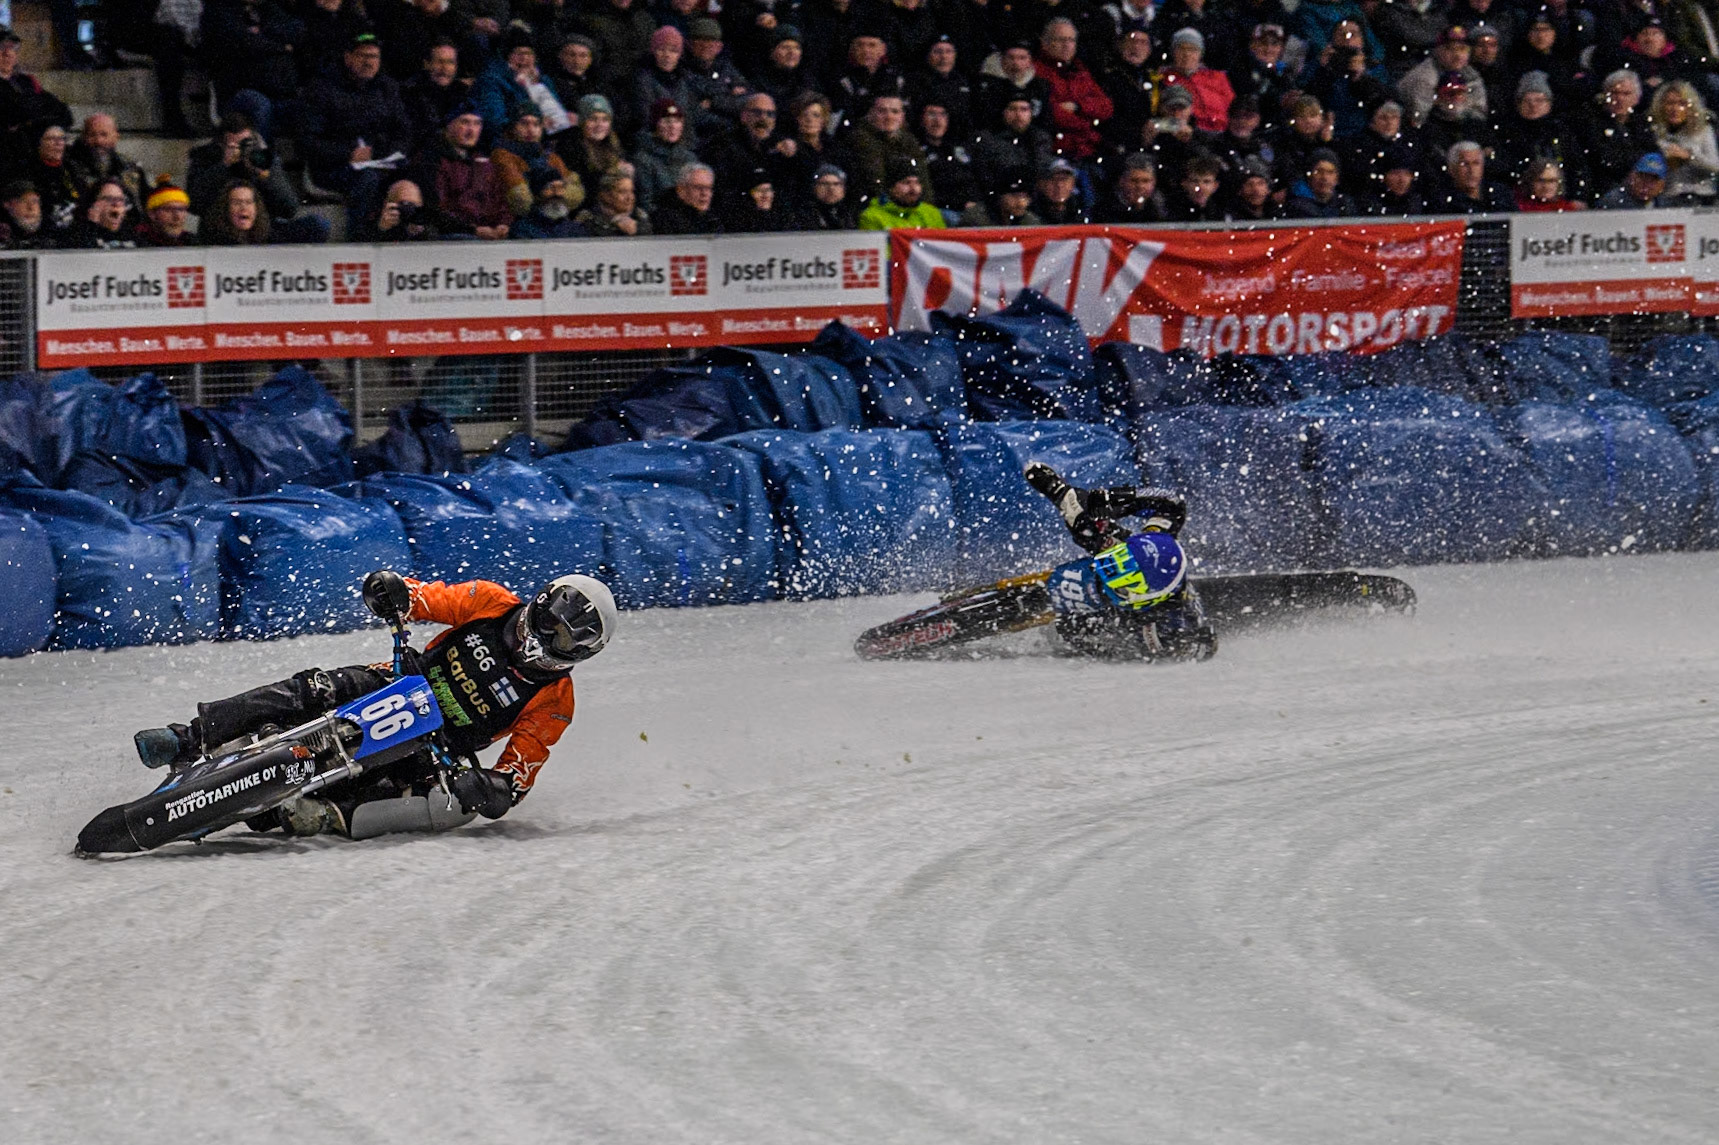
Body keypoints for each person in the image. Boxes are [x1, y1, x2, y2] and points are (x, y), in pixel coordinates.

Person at [131, 571, 617, 840]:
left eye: (559, 638)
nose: (542, 636)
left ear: (579, 653)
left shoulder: (556, 702)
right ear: (538, 603)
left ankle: (327, 816)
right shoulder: (491, 601)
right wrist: (394, 592)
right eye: (546, 621)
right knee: (315, 687)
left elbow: (519, 772)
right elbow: (428, 599)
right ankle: (190, 736)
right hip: (397, 681)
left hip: (435, 747)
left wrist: (491, 787)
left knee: (454, 808)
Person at [1024, 463, 1216, 661]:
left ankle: (1083, 612)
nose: (1108, 576)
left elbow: (1202, 649)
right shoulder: (1158, 535)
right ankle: (1061, 491)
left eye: (1120, 584)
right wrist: (1112, 499)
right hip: (1139, 587)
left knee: (1083, 629)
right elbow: (1171, 502)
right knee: (1084, 520)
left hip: (1126, 616)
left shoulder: (1173, 631)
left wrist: (1079, 633)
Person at [1648, 80, 1719, 204]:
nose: (1675, 109)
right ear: (1661, 106)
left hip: (1701, 196)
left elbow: (1715, 166)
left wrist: (1690, 157)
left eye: (1682, 103)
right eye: (1670, 103)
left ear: (1690, 107)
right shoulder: (1654, 133)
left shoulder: (1703, 131)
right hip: (1667, 196)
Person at [857, 155, 946, 229]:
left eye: (917, 182)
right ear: (891, 187)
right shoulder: (871, 217)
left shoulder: (932, 213)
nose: (913, 188)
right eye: (906, 182)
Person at [64, 178, 140, 249]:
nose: (116, 204)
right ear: (93, 203)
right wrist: (91, 225)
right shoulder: (77, 234)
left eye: (120, 199)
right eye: (109, 199)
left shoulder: (131, 233)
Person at [574, 168, 653, 235]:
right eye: (622, 192)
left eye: (631, 191)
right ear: (606, 196)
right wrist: (616, 226)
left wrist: (637, 230)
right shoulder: (587, 218)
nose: (629, 197)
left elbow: (649, 233)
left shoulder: (639, 215)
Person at [652, 161, 723, 233]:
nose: (704, 193)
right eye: (698, 187)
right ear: (681, 191)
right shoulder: (664, 221)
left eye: (708, 188)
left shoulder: (713, 220)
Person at [1596, 150, 1670, 207]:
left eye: (1653, 181)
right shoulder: (1613, 202)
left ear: (1662, 185)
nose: (1646, 185)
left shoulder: (1665, 205)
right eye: (1642, 178)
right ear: (1631, 177)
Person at [137, 178, 198, 246]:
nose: (177, 216)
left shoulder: (193, 242)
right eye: (169, 209)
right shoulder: (138, 243)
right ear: (152, 214)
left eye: (181, 209)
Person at [0, 179, 54, 249]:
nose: (31, 208)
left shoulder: (54, 235)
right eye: (23, 201)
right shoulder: (3, 237)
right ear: (7, 204)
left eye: (34, 201)